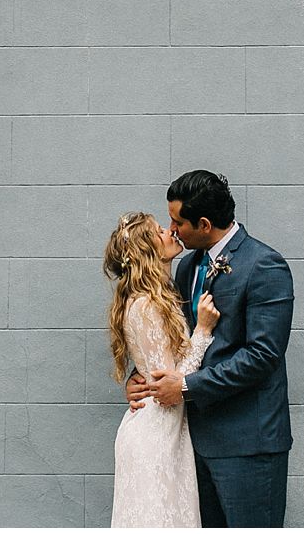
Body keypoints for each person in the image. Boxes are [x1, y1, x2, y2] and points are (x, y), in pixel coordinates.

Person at [128, 170, 295, 527]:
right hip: (194, 442)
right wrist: (142, 376)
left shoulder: (264, 265)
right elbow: (174, 337)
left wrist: (186, 387)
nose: (171, 230)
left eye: (177, 222)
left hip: (248, 444)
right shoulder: (187, 266)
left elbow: (263, 355)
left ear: (204, 224)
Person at [104, 210, 221, 528]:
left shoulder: (161, 297)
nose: (170, 232)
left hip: (168, 433)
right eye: (159, 232)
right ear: (148, 250)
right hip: (154, 438)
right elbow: (168, 381)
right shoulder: (145, 305)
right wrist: (203, 331)